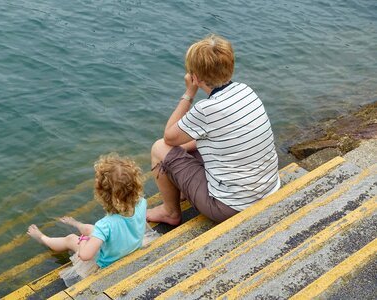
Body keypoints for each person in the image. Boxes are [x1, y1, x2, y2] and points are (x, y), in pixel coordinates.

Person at [146, 34, 280, 225]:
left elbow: (169, 137)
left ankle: (170, 212)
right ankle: (183, 186)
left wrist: (189, 93)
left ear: (196, 77)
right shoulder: (246, 90)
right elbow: (217, 137)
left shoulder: (207, 109)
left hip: (228, 206)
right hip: (269, 188)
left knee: (159, 149)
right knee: (187, 147)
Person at [27, 153, 148, 283]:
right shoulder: (142, 203)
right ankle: (76, 223)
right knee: (93, 229)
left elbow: (84, 256)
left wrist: (83, 240)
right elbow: (123, 225)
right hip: (130, 247)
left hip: (107, 263)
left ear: (102, 194)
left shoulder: (105, 225)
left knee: (71, 239)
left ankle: (43, 238)